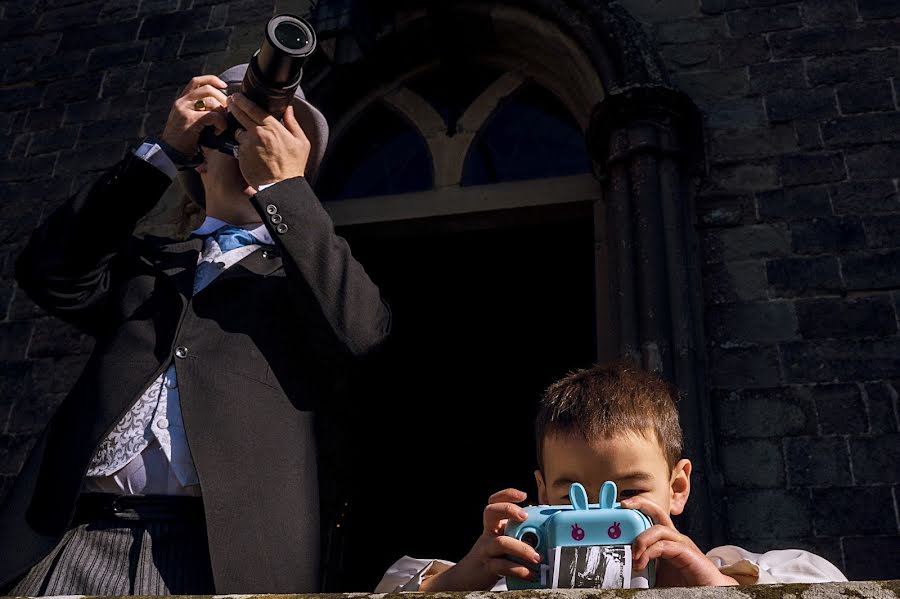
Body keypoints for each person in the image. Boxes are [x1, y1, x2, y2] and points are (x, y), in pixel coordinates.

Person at [0, 64, 390, 595]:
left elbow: (364, 333)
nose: (246, 136)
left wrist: (284, 188)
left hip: (222, 554)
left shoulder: (306, 281)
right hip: (79, 535)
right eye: (231, 125)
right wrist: (160, 154)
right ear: (200, 156)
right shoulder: (147, 263)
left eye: (268, 128)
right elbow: (48, 271)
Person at [376, 362, 846, 592]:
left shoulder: (735, 570)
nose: (603, 515)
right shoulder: (507, 580)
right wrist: (457, 581)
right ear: (541, 495)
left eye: (629, 493)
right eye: (571, 495)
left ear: (677, 487)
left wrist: (715, 588)